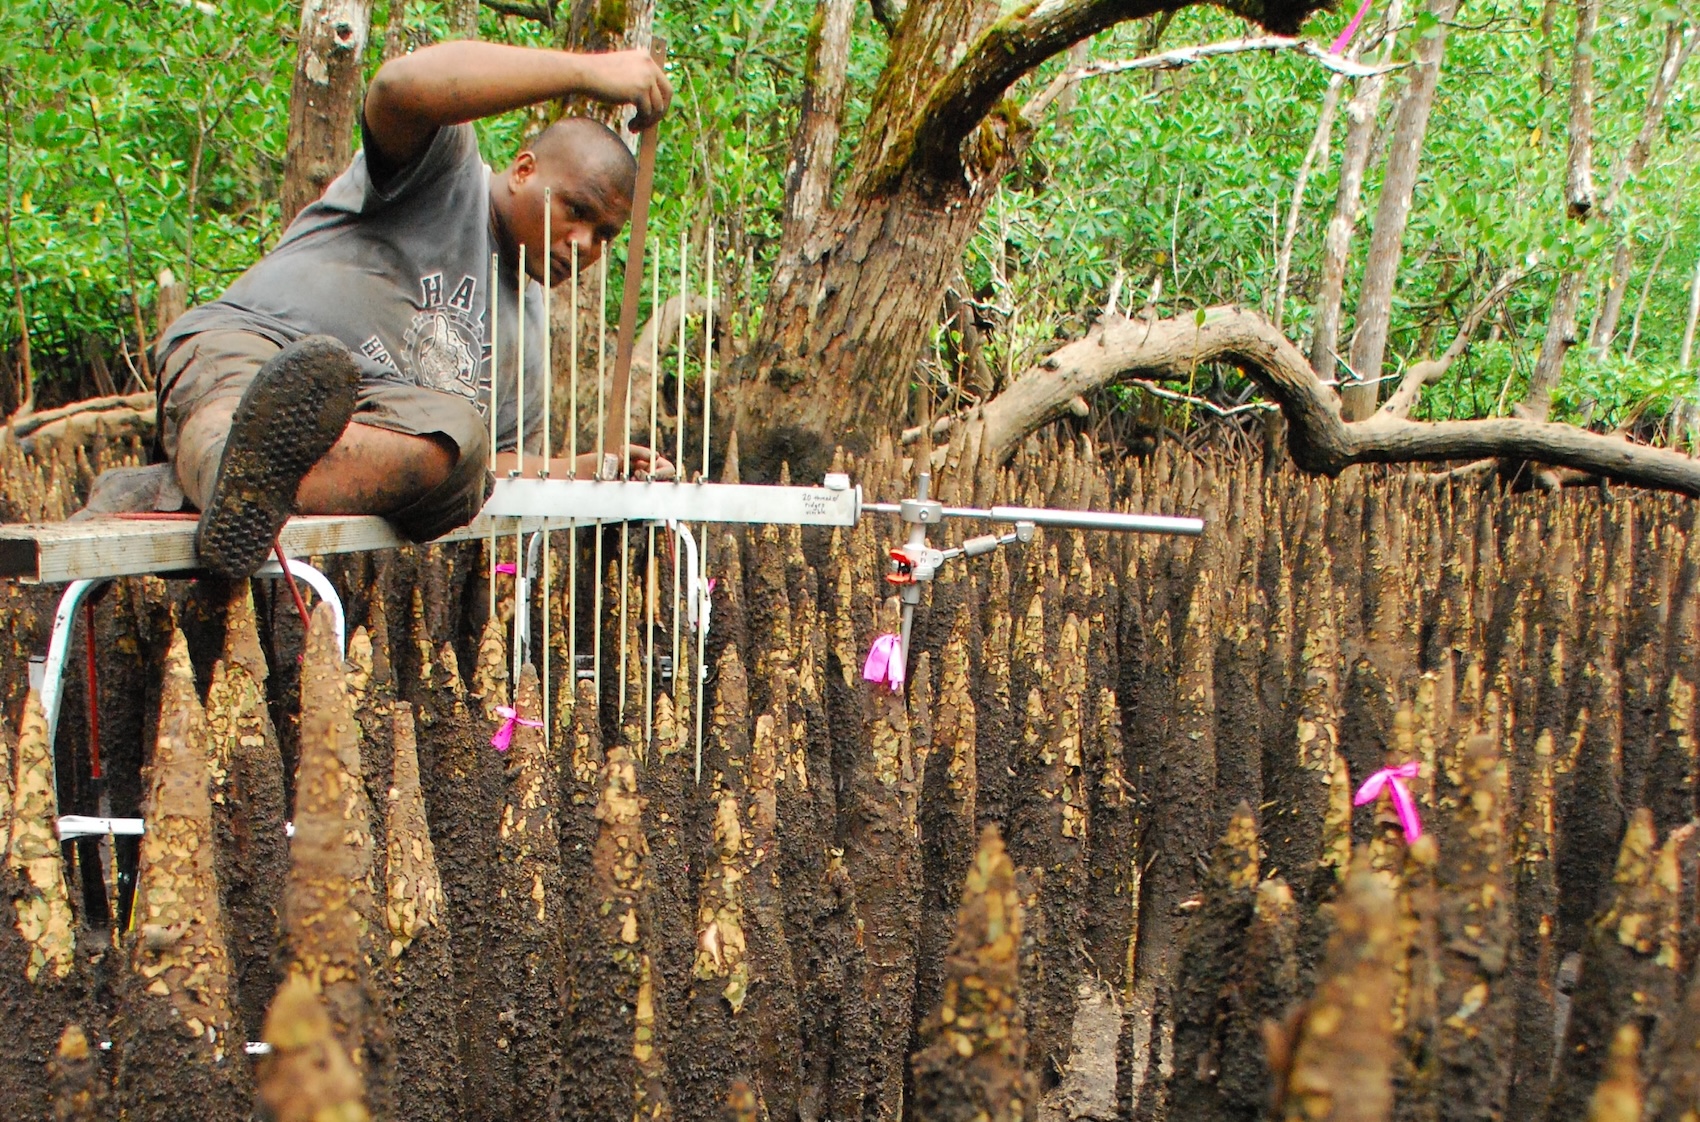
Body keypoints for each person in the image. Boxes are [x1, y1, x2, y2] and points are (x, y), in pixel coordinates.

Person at [80, 42, 673, 578]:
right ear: (523, 171)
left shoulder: (529, 337)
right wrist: (585, 72)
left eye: (605, 235)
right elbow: (398, 87)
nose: (584, 244)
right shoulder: (441, 171)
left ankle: (212, 488)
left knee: (463, 444)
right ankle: (220, 476)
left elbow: (494, 464)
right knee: (238, 410)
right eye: (575, 209)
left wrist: (592, 467)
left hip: (358, 426)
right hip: (257, 343)